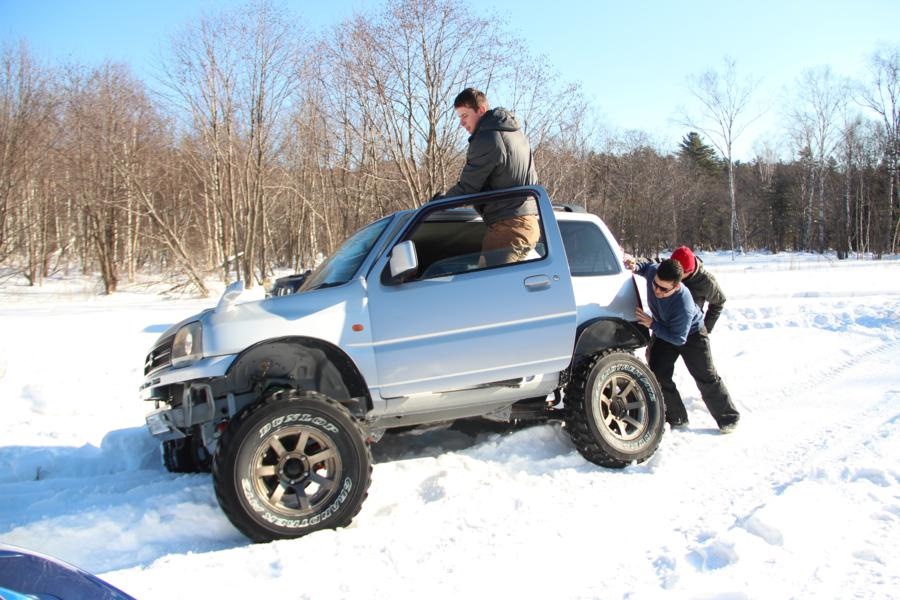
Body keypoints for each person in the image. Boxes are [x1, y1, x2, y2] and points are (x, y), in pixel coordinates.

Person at [627, 257, 740, 433]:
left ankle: (728, 418)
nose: (657, 290)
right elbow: (646, 266)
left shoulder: (683, 304)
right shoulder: (654, 273)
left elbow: (679, 339)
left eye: (663, 289)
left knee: (705, 376)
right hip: (664, 330)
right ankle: (677, 417)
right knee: (658, 372)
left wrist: (652, 325)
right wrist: (635, 264)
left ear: (677, 286)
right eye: (655, 285)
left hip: (691, 335)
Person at [433, 88, 539, 266]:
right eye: (459, 117)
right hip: (524, 222)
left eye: (465, 115)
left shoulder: (488, 138)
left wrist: (437, 204)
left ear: (481, 110)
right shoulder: (513, 133)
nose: (462, 122)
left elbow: (467, 188)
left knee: (489, 288)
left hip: (509, 228)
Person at [670, 246, 726, 333]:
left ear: (688, 271)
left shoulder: (706, 281)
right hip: (666, 328)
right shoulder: (670, 267)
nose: (673, 276)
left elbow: (719, 302)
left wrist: (705, 329)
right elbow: (654, 262)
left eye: (677, 275)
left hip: (689, 331)